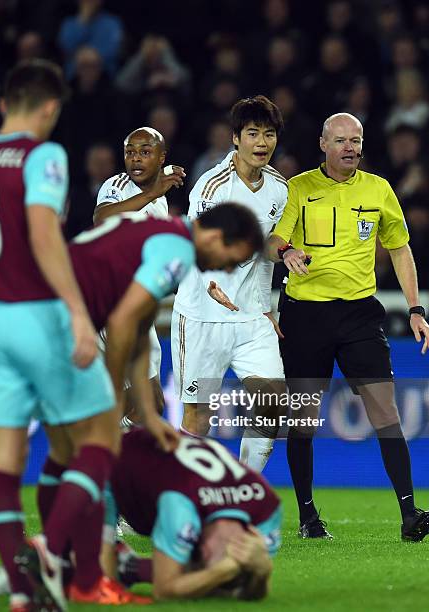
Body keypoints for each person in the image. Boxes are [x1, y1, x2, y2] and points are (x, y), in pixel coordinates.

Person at [0, 59, 145, 612]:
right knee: (92, 430)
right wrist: (75, 309)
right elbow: (46, 238)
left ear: (3, 105)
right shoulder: (42, 157)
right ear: (49, 109)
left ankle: (22, 584)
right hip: (24, 317)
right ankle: (72, 558)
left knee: (5, 445)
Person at [0, 204, 267, 601]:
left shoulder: (156, 230)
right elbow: (120, 323)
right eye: (231, 261)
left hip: (21, 315)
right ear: (217, 238)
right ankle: (51, 553)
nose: (226, 271)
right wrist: (114, 400)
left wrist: (146, 413)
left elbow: (140, 324)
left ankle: (64, 574)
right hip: (55, 324)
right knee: (100, 446)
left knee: (64, 452)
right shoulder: (177, 250)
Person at [269, 112, 429, 542]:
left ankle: (409, 514)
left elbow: (400, 250)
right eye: (341, 140)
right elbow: (273, 239)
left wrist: (416, 309)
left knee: (386, 411)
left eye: (356, 140)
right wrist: (286, 251)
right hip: (307, 315)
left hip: (360, 314)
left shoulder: (378, 189)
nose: (350, 147)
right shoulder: (299, 188)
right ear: (324, 144)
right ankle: (308, 516)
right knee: (304, 419)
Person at [171, 95, 288, 472]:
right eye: (252, 133)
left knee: (273, 403)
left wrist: (267, 305)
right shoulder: (211, 187)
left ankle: (243, 490)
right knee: (198, 418)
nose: (261, 143)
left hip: (251, 319)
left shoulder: (279, 188)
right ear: (235, 138)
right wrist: (211, 281)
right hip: (202, 318)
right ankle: (179, 497)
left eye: (268, 134)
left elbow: (267, 248)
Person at [102, 428, 282, 600]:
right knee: (100, 580)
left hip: (157, 472)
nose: (201, 552)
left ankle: (129, 565)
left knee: (196, 577)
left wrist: (261, 571)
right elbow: (164, 590)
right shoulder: (183, 506)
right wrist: (221, 572)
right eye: (204, 558)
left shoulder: (268, 511)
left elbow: (252, 592)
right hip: (108, 464)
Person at [93, 126, 184, 426]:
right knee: (149, 402)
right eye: (130, 152)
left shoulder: (160, 198)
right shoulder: (118, 185)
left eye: (145, 152)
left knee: (145, 405)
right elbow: (102, 218)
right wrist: (152, 192)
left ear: (161, 158)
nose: (135, 159)